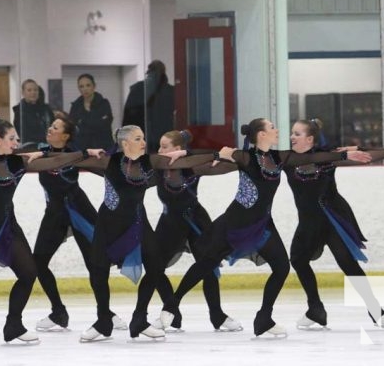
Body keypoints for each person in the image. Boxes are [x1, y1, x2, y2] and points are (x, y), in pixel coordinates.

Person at [158, 118, 372, 338]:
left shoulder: (279, 157)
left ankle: (264, 318)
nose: (277, 130)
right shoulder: (245, 157)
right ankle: (170, 307)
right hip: (235, 223)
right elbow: (215, 154)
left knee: (281, 267)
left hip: (262, 225)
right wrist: (184, 154)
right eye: (272, 128)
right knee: (206, 264)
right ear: (261, 135)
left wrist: (344, 155)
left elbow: (314, 156)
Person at [0, 116, 101, 345]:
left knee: (28, 273)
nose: (17, 143)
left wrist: (82, 154)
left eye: (17, 139)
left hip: (6, 227)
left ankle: (14, 324)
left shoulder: (18, 162)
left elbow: (54, 161)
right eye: (12, 139)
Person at [69, 125, 221, 342]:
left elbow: (193, 161)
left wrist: (188, 152)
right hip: (108, 224)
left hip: (138, 222)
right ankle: (103, 321)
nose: (143, 143)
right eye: (138, 139)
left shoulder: (150, 162)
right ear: (125, 144)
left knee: (156, 267)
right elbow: (66, 161)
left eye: (143, 138)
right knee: (99, 271)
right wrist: (83, 152)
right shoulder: (109, 162)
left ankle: (139, 319)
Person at [285, 119, 384, 331]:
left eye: (297, 134)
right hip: (309, 222)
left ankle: (376, 311)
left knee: (348, 264)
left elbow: (363, 154)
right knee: (298, 259)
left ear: (310, 139)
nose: (292, 137)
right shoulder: (288, 159)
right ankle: (315, 309)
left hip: (331, 219)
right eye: (292, 133)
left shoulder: (329, 156)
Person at [30, 115, 126, 331]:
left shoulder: (76, 156)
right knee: (38, 263)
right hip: (55, 215)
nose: (50, 129)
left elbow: (105, 165)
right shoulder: (41, 151)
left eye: (55, 127)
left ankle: (106, 313)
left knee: (95, 265)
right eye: (51, 126)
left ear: (65, 136)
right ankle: (58, 312)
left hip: (79, 212)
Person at [150, 130, 241, 332]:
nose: (159, 150)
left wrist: (186, 155)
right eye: (159, 146)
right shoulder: (157, 166)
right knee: (154, 267)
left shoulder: (193, 164)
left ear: (177, 149)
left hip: (195, 219)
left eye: (164, 147)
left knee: (208, 267)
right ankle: (172, 311)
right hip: (170, 222)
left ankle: (217, 316)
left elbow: (220, 160)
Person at [122, 60, 175, 153]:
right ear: (164, 72)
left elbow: (128, 116)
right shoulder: (171, 91)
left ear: (148, 70)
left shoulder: (137, 88)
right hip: (165, 137)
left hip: (141, 136)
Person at [68, 74, 114, 151]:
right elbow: (73, 128)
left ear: (94, 86)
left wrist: (82, 122)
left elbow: (105, 125)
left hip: (104, 146)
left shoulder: (103, 103)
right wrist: (95, 122)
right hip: (83, 149)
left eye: (88, 85)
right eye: (81, 86)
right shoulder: (75, 106)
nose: (85, 89)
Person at [12, 79, 54, 147]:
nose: (33, 92)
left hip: (49, 145)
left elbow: (52, 125)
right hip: (30, 147)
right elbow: (24, 133)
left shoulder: (46, 109)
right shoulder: (20, 111)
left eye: (35, 90)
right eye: (29, 90)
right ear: (23, 93)